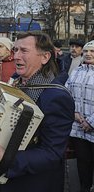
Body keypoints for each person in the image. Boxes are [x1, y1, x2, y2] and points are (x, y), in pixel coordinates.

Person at [0, 31, 75, 192]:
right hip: (3, 177)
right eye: (15, 50)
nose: (16, 56)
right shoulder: (16, 80)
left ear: (45, 57)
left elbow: (52, 154)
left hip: (32, 184)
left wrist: (3, 157)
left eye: (24, 51)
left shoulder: (57, 97)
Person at [65, 40, 94, 192]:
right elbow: (66, 93)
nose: (88, 54)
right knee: (83, 162)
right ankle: (84, 187)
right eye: (87, 51)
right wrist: (73, 112)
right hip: (78, 127)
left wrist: (91, 122)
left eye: (93, 51)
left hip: (92, 127)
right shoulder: (77, 70)